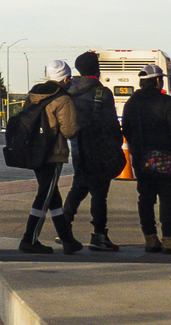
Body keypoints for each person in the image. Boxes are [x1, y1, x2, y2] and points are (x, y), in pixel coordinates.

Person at [52, 51, 124, 253]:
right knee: (99, 192)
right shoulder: (102, 93)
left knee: (80, 184)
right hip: (100, 146)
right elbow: (110, 124)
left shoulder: (68, 91)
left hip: (77, 145)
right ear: (97, 69)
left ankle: (64, 227)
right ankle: (99, 235)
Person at [120, 68, 171, 253]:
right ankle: (169, 239)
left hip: (141, 158)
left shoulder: (131, 102)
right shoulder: (167, 102)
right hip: (166, 158)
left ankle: (150, 239)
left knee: (146, 198)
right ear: (158, 81)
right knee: (168, 199)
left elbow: (126, 129)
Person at [16, 61, 75, 254]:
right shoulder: (63, 98)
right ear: (65, 78)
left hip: (34, 151)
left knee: (52, 196)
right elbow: (69, 130)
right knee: (44, 196)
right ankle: (29, 239)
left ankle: (67, 240)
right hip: (53, 153)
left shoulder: (33, 94)